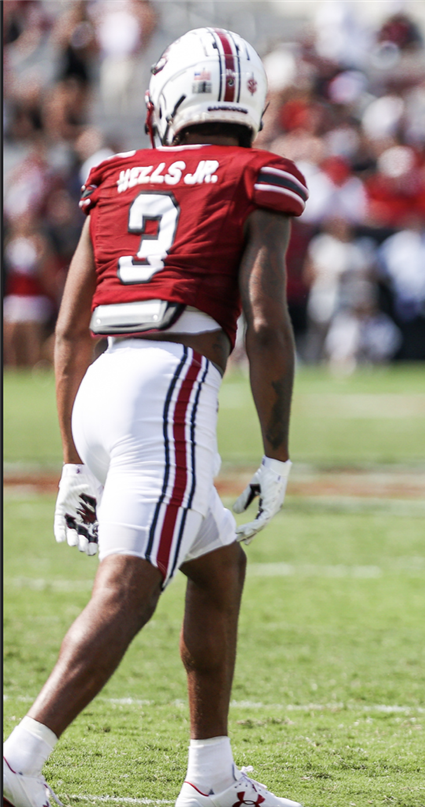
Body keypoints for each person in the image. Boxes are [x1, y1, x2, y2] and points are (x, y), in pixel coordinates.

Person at [3, 28, 307, 807]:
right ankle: (17, 760)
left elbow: (71, 329)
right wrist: (276, 451)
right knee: (129, 589)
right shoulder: (257, 174)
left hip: (106, 380)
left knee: (217, 564)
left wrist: (74, 456)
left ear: (170, 97)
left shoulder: (115, 173)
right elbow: (265, 322)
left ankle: (210, 779)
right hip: (169, 388)